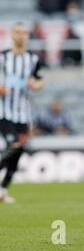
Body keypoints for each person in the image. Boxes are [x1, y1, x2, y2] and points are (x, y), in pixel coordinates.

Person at [0, 23, 44, 203]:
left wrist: (35, 85)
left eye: (24, 33)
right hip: (5, 112)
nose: (21, 36)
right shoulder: (3, 57)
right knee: (13, 146)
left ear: (27, 36)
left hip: (23, 114)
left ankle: (2, 191)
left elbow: (40, 80)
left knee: (18, 153)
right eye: (18, 32)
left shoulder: (32, 59)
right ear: (12, 35)